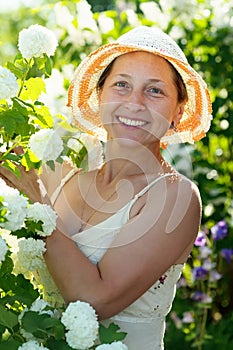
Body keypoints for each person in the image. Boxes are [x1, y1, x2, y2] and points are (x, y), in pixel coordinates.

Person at [0, 26, 212, 349]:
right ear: (101, 96)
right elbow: (11, 158)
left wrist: (40, 206)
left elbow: (94, 299)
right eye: (121, 85)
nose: (135, 103)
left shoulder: (175, 197)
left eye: (155, 91)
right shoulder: (66, 172)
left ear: (177, 113)